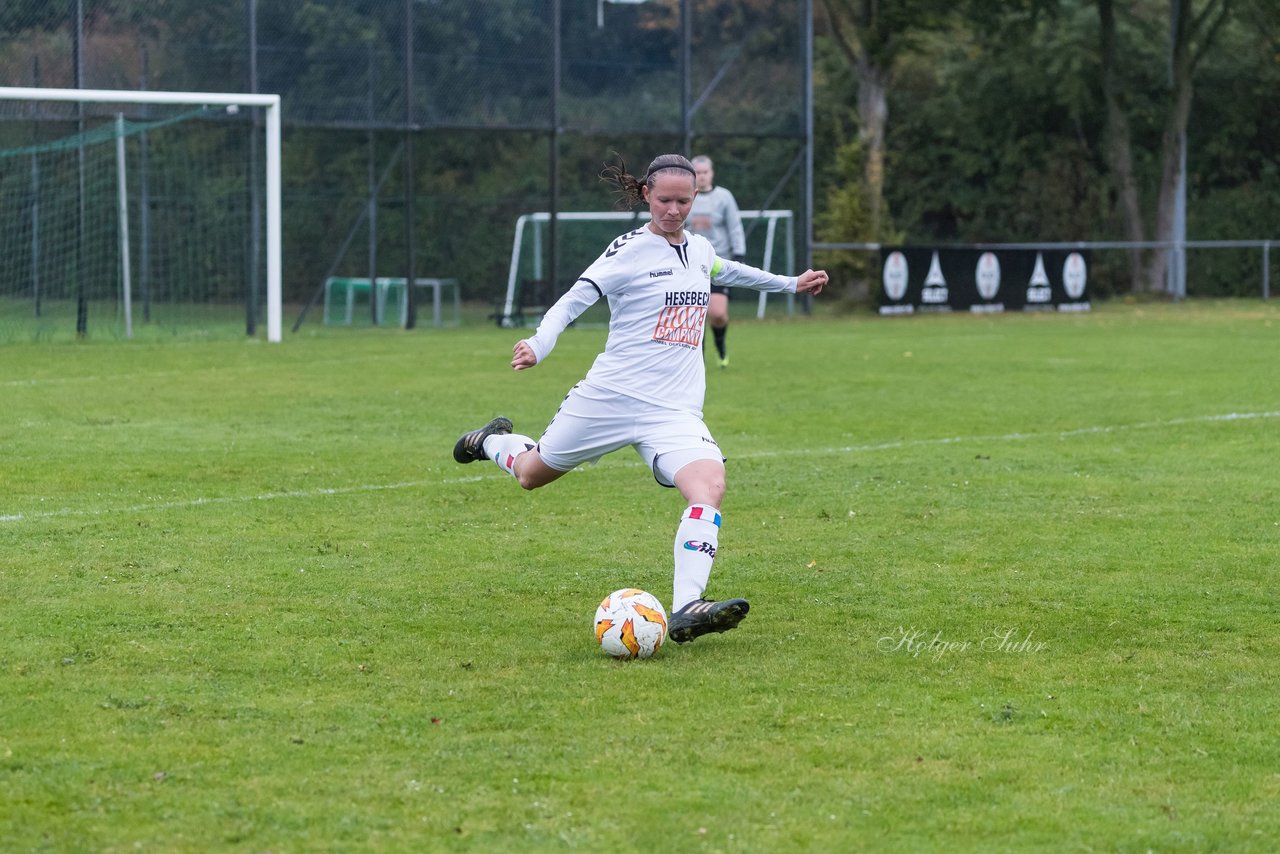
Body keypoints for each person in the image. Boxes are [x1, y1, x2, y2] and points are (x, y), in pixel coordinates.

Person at [451, 153, 827, 644]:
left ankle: (687, 606)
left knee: (708, 485)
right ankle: (489, 442)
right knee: (530, 475)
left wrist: (789, 283)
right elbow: (574, 299)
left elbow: (727, 270)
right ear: (646, 194)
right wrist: (539, 345)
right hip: (610, 397)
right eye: (665, 200)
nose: (674, 210)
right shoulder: (627, 250)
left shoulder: (698, 249)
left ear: (695, 200)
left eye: (684, 201)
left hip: (673, 410)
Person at [687, 155, 746, 369]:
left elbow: (735, 227)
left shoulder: (724, 197)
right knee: (696, 315)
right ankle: (696, 362)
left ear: (711, 173)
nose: (701, 177)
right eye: (698, 172)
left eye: (705, 172)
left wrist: (739, 255)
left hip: (718, 263)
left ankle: (720, 346)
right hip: (691, 264)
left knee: (718, 314)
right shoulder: (686, 196)